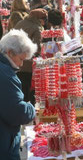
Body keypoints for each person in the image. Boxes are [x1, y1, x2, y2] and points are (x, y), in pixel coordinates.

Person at [0, 29, 37, 159]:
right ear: (10, 53)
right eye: (21, 59)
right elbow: (17, 113)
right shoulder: (5, 75)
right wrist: (31, 108)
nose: (21, 64)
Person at [15, 8, 48, 105]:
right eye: (44, 19)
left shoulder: (20, 23)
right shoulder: (36, 28)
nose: (44, 22)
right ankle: (28, 110)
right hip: (28, 64)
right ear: (39, 19)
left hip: (15, 61)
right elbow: (37, 47)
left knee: (20, 88)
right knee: (29, 89)